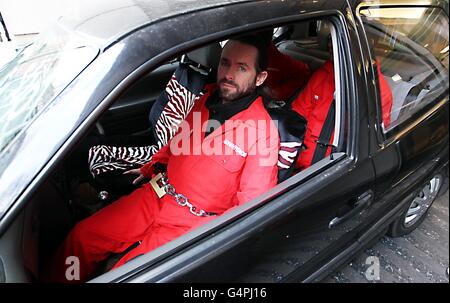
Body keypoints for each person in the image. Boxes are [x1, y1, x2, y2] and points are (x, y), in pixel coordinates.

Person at [48, 34, 280, 283]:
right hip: (157, 194)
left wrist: (211, 242)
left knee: (124, 275)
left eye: (242, 67)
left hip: (193, 222)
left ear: (260, 77)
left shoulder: (263, 132)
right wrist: (149, 167)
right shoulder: (204, 99)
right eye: (225, 63)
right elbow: (176, 144)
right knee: (82, 238)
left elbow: (253, 207)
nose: (229, 74)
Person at [291, 35, 392, 170]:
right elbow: (297, 115)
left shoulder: (376, 93)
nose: (331, 48)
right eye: (330, 43)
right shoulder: (323, 75)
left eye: (336, 44)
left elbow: (367, 146)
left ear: (359, 49)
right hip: (300, 164)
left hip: (336, 169)